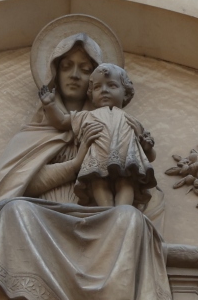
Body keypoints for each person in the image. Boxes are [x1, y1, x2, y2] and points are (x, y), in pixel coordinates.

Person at [0, 34, 177, 300]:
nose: (76, 75)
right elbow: (18, 187)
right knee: (14, 210)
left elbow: (139, 174)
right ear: (54, 72)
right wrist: (76, 164)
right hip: (48, 221)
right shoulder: (36, 134)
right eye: (67, 66)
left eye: (84, 67)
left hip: (98, 226)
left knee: (130, 217)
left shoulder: (117, 126)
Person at [40, 62, 156, 208]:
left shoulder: (132, 121)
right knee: (98, 181)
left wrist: (147, 146)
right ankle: (106, 211)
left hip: (126, 157)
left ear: (125, 92)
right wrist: (50, 105)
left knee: (126, 182)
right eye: (97, 87)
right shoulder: (87, 116)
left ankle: (123, 212)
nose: (104, 90)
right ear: (91, 95)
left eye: (112, 86)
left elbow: (149, 156)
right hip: (97, 158)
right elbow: (61, 121)